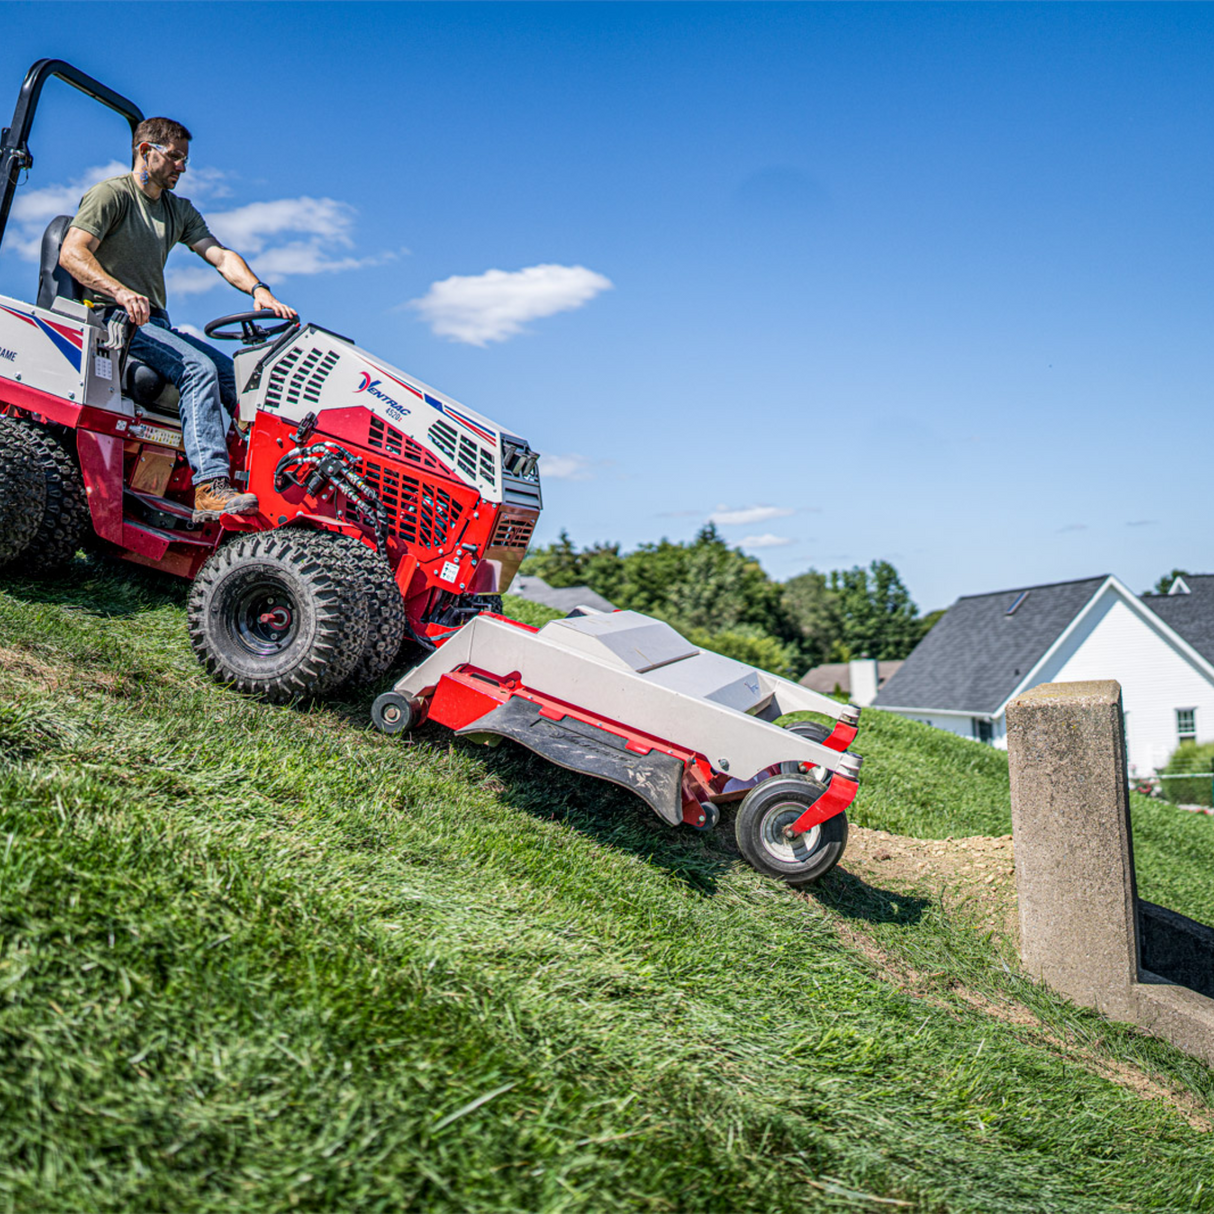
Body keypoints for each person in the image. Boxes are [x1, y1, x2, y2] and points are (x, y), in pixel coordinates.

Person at [59, 117, 297, 521]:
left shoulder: (178, 210)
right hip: (112, 318)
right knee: (197, 368)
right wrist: (119, 291)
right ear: (145, 150)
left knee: (240, 379)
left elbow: (219, 255)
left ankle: (265, 484)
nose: (182, 168)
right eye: (174, 157)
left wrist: (259, 289)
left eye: (185, 159)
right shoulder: (111, 195)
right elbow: (72, 253)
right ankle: (209, 487)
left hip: (153, 322)